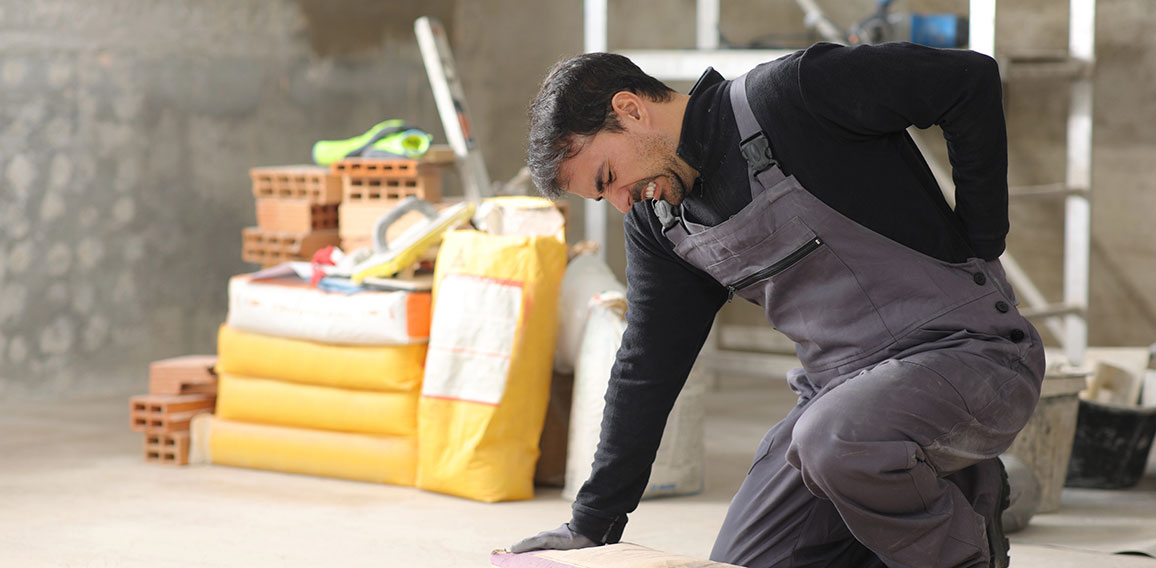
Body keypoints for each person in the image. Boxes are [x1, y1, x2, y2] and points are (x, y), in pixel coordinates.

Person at [512, 42, 1045, 568]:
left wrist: (983, 237)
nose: (622, 201)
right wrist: (593, 520)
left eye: (607, 179)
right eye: (602, 198)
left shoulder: (793, 95)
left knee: (835, 442)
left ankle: (963, 552)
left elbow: (967, 79)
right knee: (750, 561)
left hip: (973, 355)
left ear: (630, 110)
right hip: (842, 397)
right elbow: (647, 366)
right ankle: (961, 486)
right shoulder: (662, 223)